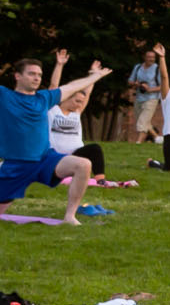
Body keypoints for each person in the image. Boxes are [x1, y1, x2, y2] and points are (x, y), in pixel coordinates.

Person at [0, 54, 107, 224]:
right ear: (17, 76)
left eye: (39, 75)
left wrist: (95, 76)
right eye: (31, 74)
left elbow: (71, 88)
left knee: (83, 164)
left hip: (45, 158)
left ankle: (69, 216)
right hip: (16, 164)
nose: (36, 78)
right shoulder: (4, 96)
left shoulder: (44, 98)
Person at [45, 51, 111, 181]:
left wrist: (93, 75)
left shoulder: (77, 113)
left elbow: (88, 91)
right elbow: (53, 87)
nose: (79, 104)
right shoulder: (52, 110)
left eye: (81, 102)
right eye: (77, 101)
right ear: (67, 97)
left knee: (95, 148)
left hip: (76, 156)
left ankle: (100, 180)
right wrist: (59, 65)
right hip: (57, 158)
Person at [126, 48, 164, 143]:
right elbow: (130, 81)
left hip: (152, 98)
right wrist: (137, 84)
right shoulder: (138, 67)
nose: (151, 59)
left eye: (153, 57)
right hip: (139, 97)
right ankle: (157, 138)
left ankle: (138, 142)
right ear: (144, 57)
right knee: (142, 120)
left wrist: (150, 89)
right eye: (149, 57)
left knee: (143, 120)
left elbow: (163, 85)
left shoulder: (157, 69)